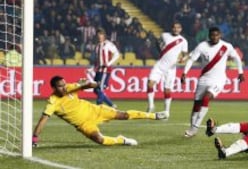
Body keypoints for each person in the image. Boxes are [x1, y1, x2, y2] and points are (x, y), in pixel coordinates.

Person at [32, 76, 169, 147]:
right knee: (100, 140)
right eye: (60, 86)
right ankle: (121, 140)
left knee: (124, 115)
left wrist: (91, 84)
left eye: (64, 85)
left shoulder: (70, 88)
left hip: (95, 110)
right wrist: (34, 137)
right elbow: (43, 119)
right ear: (54, 88)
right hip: (83, 125)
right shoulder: (52, 102)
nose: (64, 88)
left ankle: (154, 115)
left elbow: (88, 85)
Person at [181, 27, 245, 137]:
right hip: (204, 79)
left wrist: (240, 72)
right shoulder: (202, 46)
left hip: (219, 80)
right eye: (212, 35)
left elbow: (237, 58)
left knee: (206, 98)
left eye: (217, 35)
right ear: (209, 36)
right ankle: (193, 128)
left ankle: (194, 128)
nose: (215, 37)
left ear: (220, 35)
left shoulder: (226, 46)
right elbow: (191, 60)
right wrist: (185, 73)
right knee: (197, 104)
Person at [146, 22, 188, 116]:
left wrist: (183, 59)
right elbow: (158, 43)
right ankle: (151, 105)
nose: (176, 29)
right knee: (150, 83)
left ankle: (166, 111)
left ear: (180, 29)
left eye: (178, 27)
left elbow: (185, 54)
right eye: (174, 27)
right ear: (171, 28)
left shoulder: (183, 41)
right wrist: (160, 50)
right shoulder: (164, 35)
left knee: (167, 90)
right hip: (160, 64)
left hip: (171, 68)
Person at [88, 29, 120, 108]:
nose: (99, 36)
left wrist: (109, 63)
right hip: (98, 70)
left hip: (105, 70)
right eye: (98, 35)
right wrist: (92, 69)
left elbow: (117, 54)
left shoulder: (108, 44)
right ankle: (111, 105)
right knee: (96, 89)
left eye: (101, 35)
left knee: (100, 88)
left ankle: (99, 107)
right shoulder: (97, 46)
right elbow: (97, 60)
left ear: (104, 35)